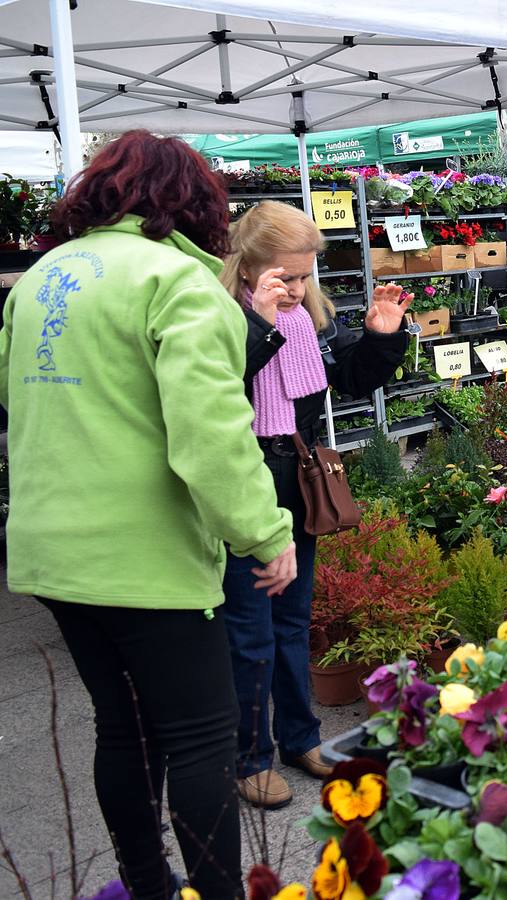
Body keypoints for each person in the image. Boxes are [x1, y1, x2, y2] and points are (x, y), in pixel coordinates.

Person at [0, 130, 296, 900]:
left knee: (121, 728)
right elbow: (212, 435)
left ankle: (146, 883)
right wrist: (265, 532)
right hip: (146, 557)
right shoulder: (178, 281)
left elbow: (13, 398)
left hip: (49, 552)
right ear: (196, 203)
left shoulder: (40, 278)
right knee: (199, 736)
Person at [220, 201, 409, 808]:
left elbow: (349, 378)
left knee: (293, 621)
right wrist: (261, 320)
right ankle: (249, 756)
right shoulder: (222, 317)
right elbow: (219, 383)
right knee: (249, 629)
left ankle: (300, 738)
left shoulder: (311, 317)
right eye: (287, 276)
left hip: (294, 481)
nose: (299, 289)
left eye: (306, 276)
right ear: (246, 268)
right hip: (244, 482)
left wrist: (382, 336)